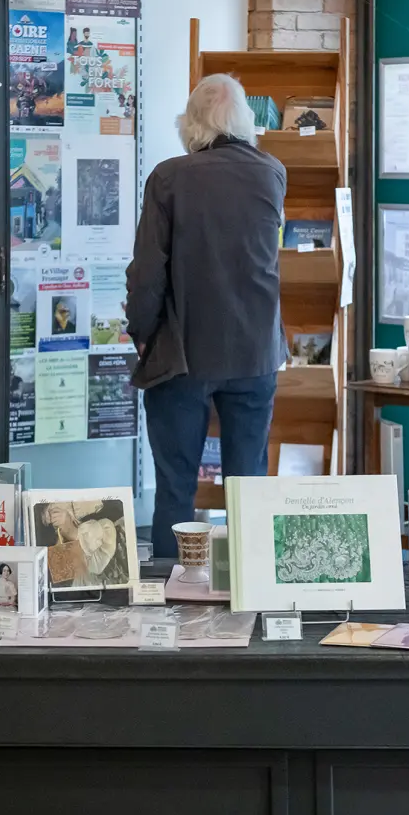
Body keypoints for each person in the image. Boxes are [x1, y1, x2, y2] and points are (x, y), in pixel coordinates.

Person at [126, 74, 287, 558]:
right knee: (248, 484)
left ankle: (172, 598)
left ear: (190, 125)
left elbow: (148, 272)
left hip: (183, 352)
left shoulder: (170, 177)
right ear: (244, 121)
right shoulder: (271, 172)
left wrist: (141, 331)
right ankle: (250, 584)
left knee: (175, 484)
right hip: (255, 351)